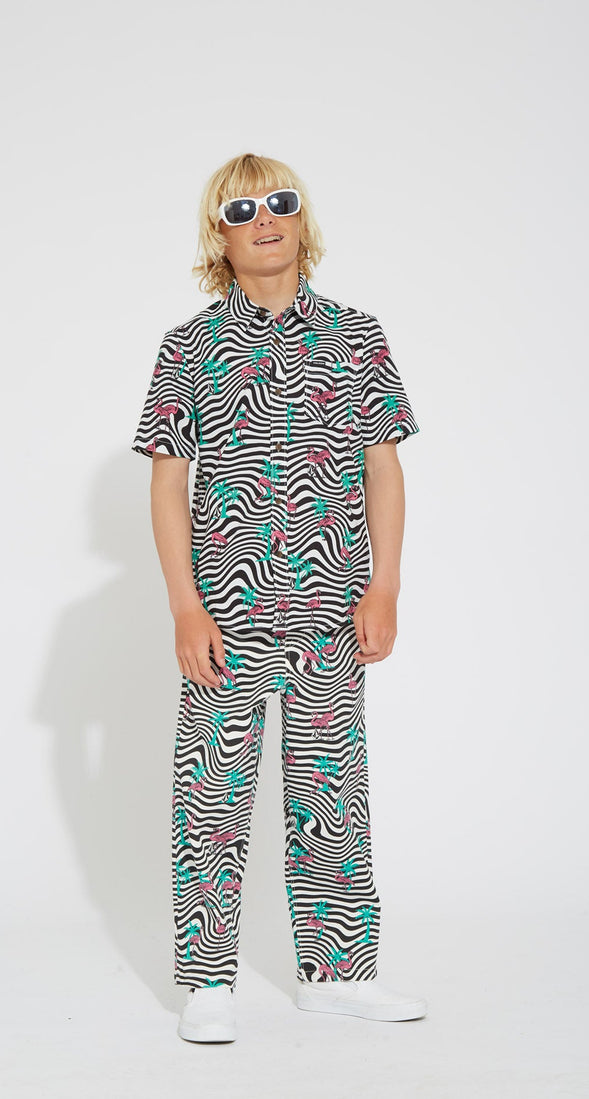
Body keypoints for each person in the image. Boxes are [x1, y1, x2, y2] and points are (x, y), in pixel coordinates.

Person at [131, 153, 426, 1043]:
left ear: (302, 220)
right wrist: (184, 605)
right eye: (240, 210)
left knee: (331, 789)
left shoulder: (357, 335)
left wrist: (384, 582)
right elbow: (167, 483)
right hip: (224, 613)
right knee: (211, 793)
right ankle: (206, 981)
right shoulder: (187, 347)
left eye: (280, 203)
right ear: (217, 235)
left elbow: (382, 466)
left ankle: (338, 971)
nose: (263, 219)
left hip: (332, 609)